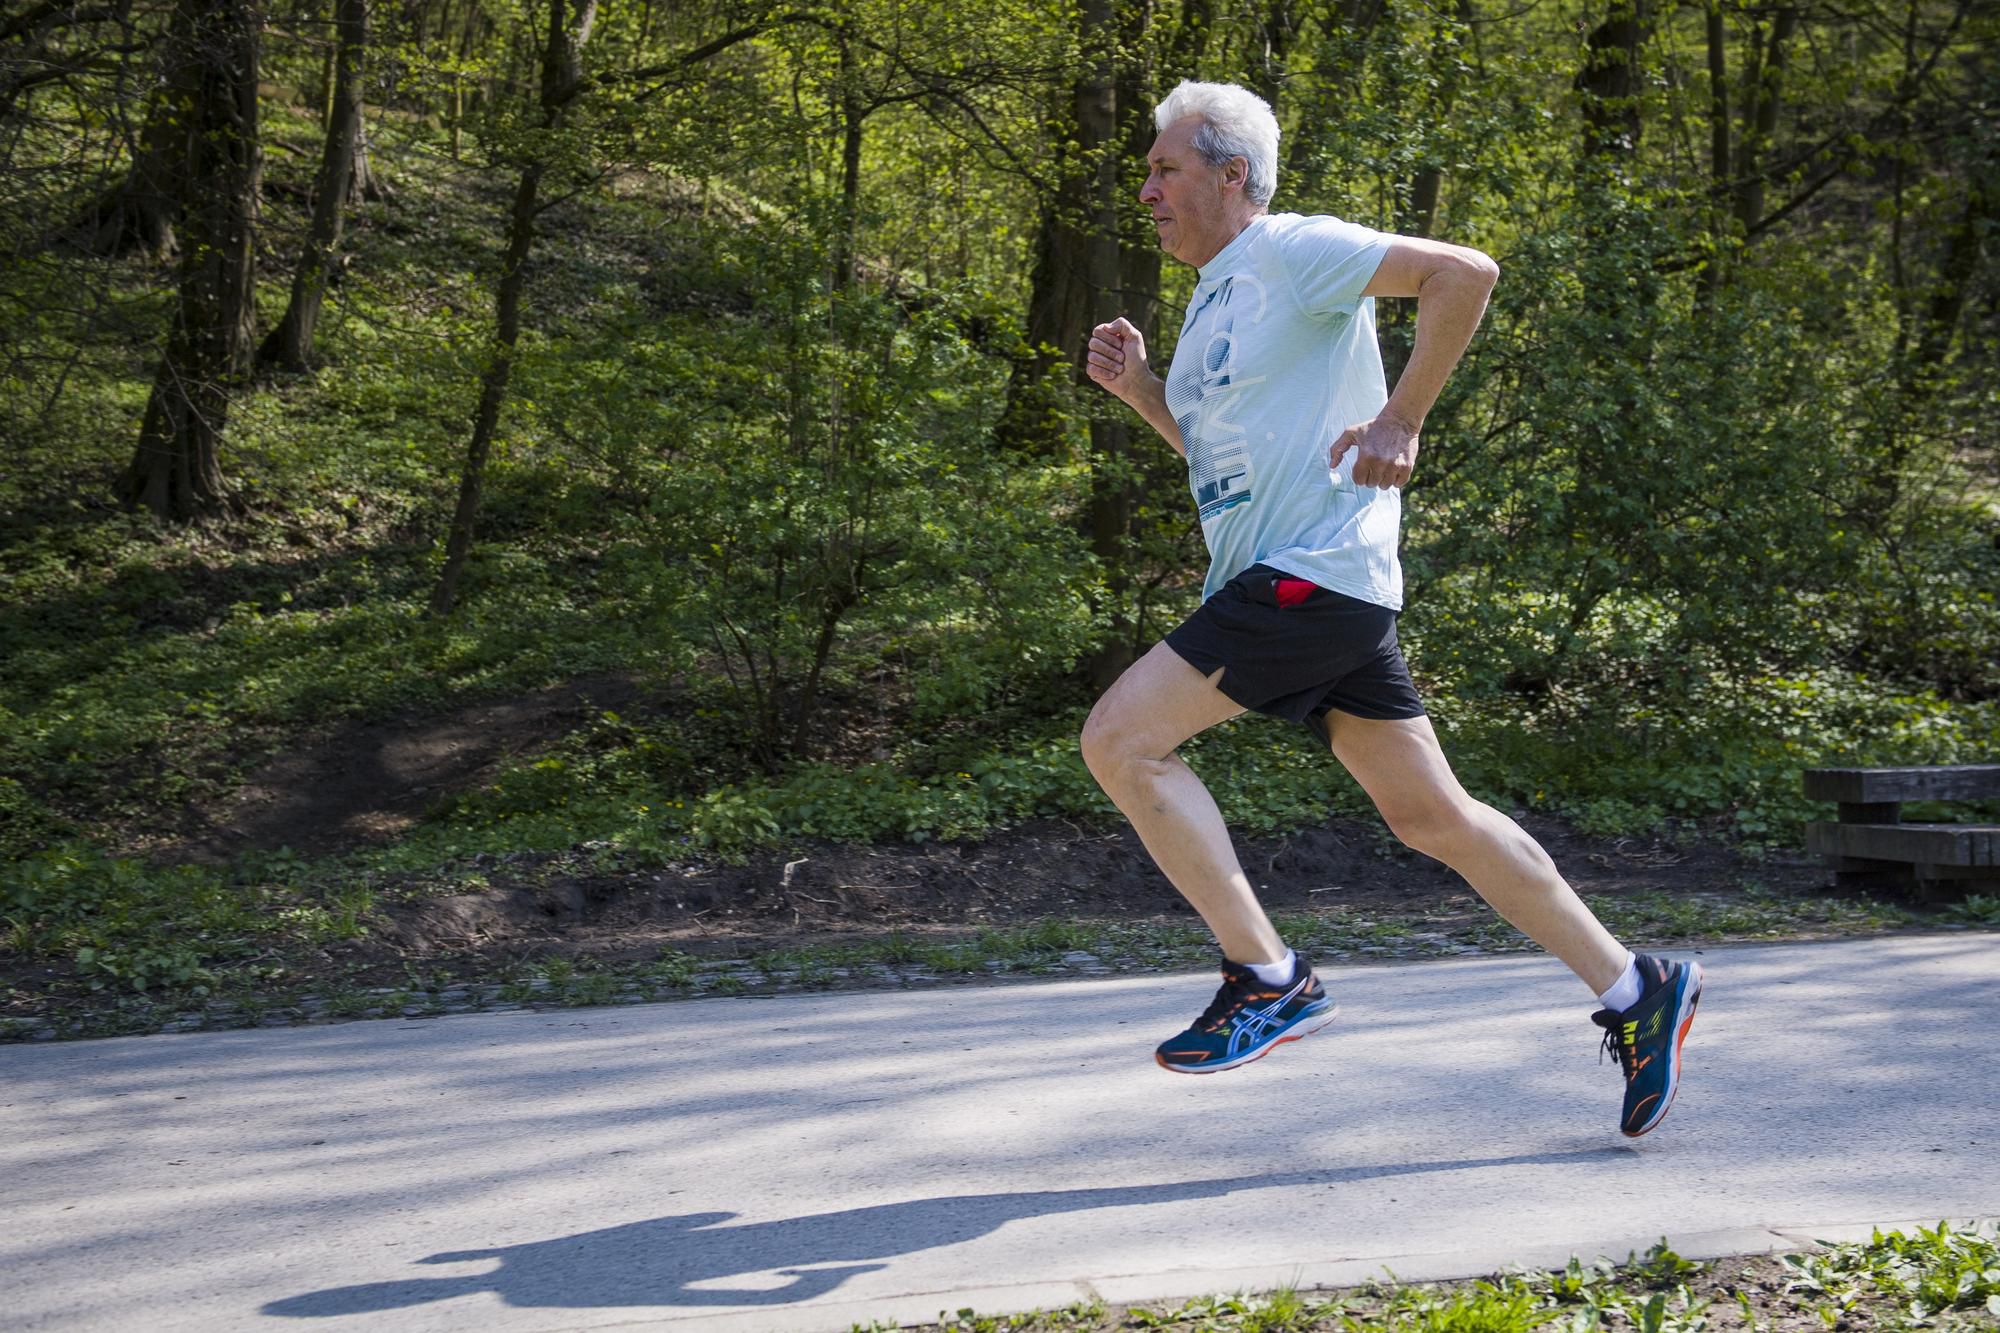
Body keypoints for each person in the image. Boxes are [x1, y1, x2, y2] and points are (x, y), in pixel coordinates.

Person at [1079, 79, 1702, 1138]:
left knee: (1120, 742)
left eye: (1163, 169)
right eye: (1147, 170)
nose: (1145, 189)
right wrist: (1146, 396)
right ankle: (1635, 988)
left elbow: (1463, 273)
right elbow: (1228, 466)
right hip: (1308, 585)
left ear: (1232, 177)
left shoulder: (1293, 249)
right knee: (1431, 818)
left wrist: (1399, 420)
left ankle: (1267, 976)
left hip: (1307, 578)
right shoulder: (1219, 293)